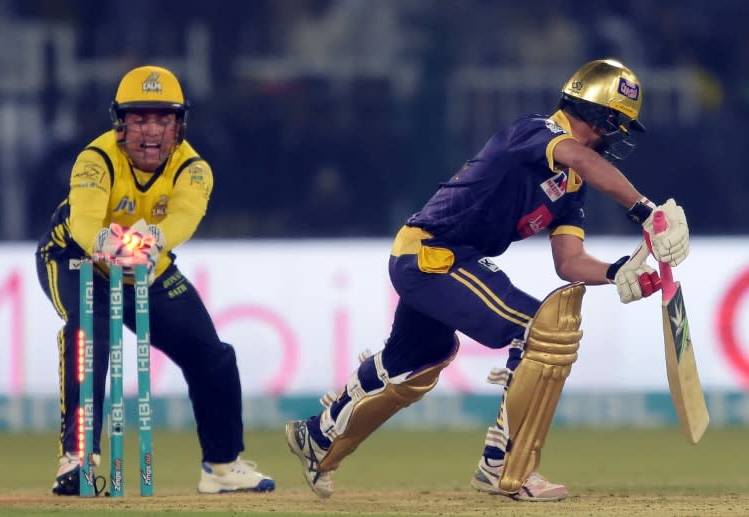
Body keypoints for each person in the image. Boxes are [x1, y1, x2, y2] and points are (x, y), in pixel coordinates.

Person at [285, 58, 690, 501]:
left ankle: (317, 436)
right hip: (433, 254)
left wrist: (617, 273)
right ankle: (503, 467)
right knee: (542, 328)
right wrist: (645, 210)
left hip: (441, 259)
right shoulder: (535, 132)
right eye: (619, 125)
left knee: (418, 357)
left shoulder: (574, 182)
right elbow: (577, 155)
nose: (619, 137)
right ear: (603, 117)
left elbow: (569, 262)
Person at [36, 65, 275, 495]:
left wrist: (155, 239)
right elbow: (85, 223)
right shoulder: (96, 159)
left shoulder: (194, 169)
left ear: (178, 126)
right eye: (139, 118)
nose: (151, 131)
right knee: (91, 332)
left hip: (149, 265)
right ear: (120, 124)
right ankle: (77, 459)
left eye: (163, 119)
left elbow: (183, 218)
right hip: (77, 258)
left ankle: (222, 465)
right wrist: (110, 243)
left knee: (213, 357)